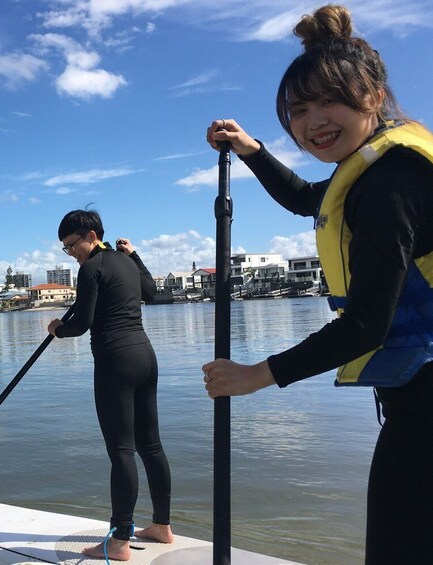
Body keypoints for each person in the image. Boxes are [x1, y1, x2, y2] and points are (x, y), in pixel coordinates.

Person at [202, 4, 433, 563]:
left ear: (373, 95)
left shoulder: (392, 181)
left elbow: (366, 324)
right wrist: (253, 151)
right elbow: (311, 199)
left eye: (330, 100)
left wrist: (257, 375)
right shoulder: (375, 170)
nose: (313, 121)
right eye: (298, 110)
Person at [47, 210, 174, 561]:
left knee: (121, 451)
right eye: (65, 248)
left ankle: (119, 542)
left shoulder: (90, 269)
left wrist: (57, 328)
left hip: (115, 362)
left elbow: (83, 323)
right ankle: (162, 526)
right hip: (146, 357)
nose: (71, 252)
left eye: (72, 244)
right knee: (151, 446)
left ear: (91, 235)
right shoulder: (126, 262)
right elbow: (152, 293)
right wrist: (135, 255)